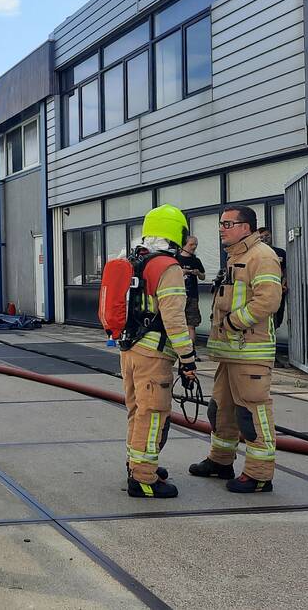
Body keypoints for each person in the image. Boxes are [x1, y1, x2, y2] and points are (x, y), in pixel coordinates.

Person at [190, 206, 282, 493]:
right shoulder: (236, 257)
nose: (221, 228)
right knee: (221, 411)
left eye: (227, 223)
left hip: (250, 352)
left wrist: (231, 323)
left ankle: (259, 475)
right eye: (221, 223)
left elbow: (268, 302)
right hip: (230, 353)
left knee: (252, 414)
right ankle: (220, 461)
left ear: (246, 227)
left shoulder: (261, 257)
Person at [121, 205, 198, 499]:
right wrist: (188, 359)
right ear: (176, 233)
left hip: (129, 348)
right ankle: (143, 479)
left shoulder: (133, 259)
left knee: (137, 411)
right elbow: (175, 320)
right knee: (153, 414)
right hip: (153, 354)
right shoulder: (168, 268)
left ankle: (136, 462)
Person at [257, 227, 288, 330]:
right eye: (261, 237)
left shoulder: (280, 252)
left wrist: (283, 284)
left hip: (278, 291)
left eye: (267, 236)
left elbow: (286, 270)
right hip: (262, 292)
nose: (264, 239)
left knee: (277, 320)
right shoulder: (255, 254)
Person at [178, 235, 206, 345]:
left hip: (192, 296)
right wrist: (181, 272)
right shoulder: (176, 259)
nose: (194, 247)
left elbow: (203, 276)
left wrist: (198, 273)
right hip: (178, 296)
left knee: (191, 325)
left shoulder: (196, 260)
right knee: (177, 325)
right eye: (191, 244)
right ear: (184, 244)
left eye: (196, 245)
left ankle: (192, 351)